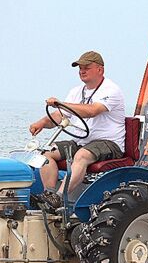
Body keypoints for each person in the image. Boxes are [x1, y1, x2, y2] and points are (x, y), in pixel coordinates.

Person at [29, 51, 125, 209]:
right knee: (46, 153)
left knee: (81, 156)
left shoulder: (111, 90)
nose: (82, 71)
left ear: (100, 70)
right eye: (80, 68)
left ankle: (59, 197)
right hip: (81, 141)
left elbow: (92, 110)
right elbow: (60, 114)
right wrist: (41, 123)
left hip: (109, 143)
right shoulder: (76, 91)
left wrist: (61, 104)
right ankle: (49, 195)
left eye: (86, 67)